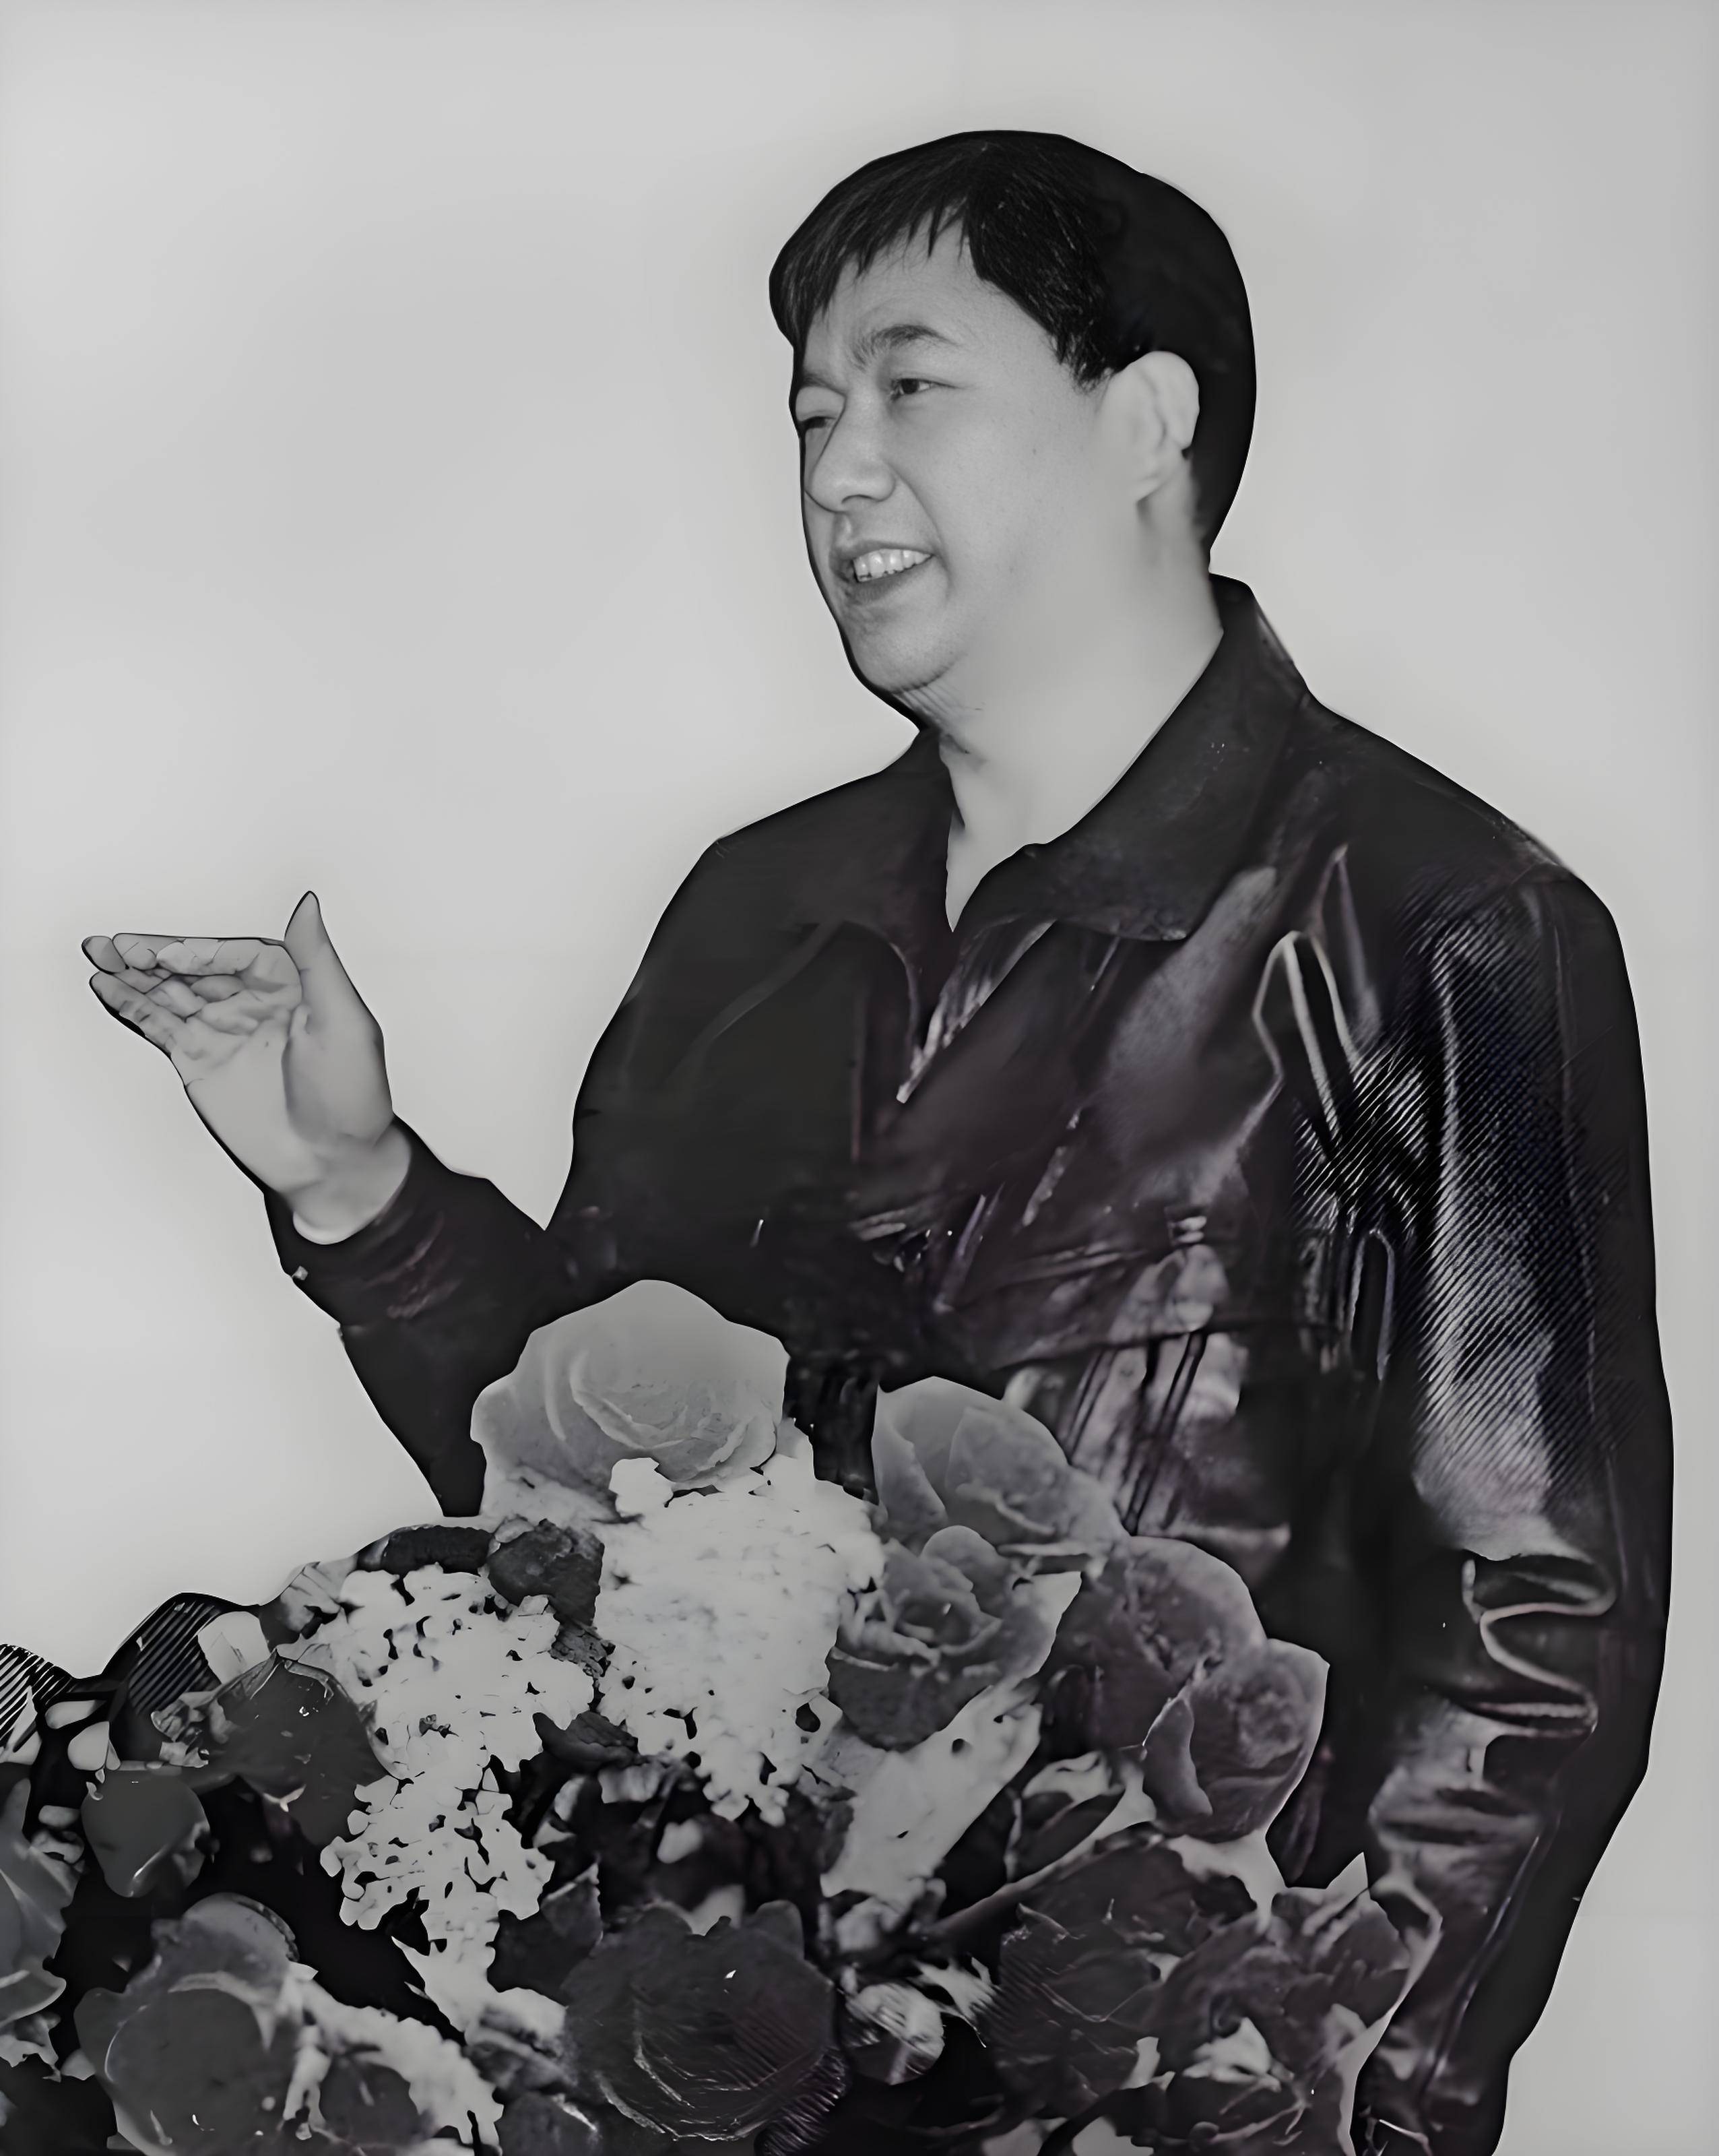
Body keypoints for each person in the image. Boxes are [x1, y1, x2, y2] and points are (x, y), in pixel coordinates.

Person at [83, 133, 1670, 2156]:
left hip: (1135, 2091)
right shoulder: (747, 923)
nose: (837, 475)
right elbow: (593, 1511)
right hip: (698, 2064)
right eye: (813, 417)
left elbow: (1538, 1628)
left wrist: (1331, 2101)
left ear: (1147, 422)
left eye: (913, 389)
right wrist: (356, 1185)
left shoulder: (1437, 929)